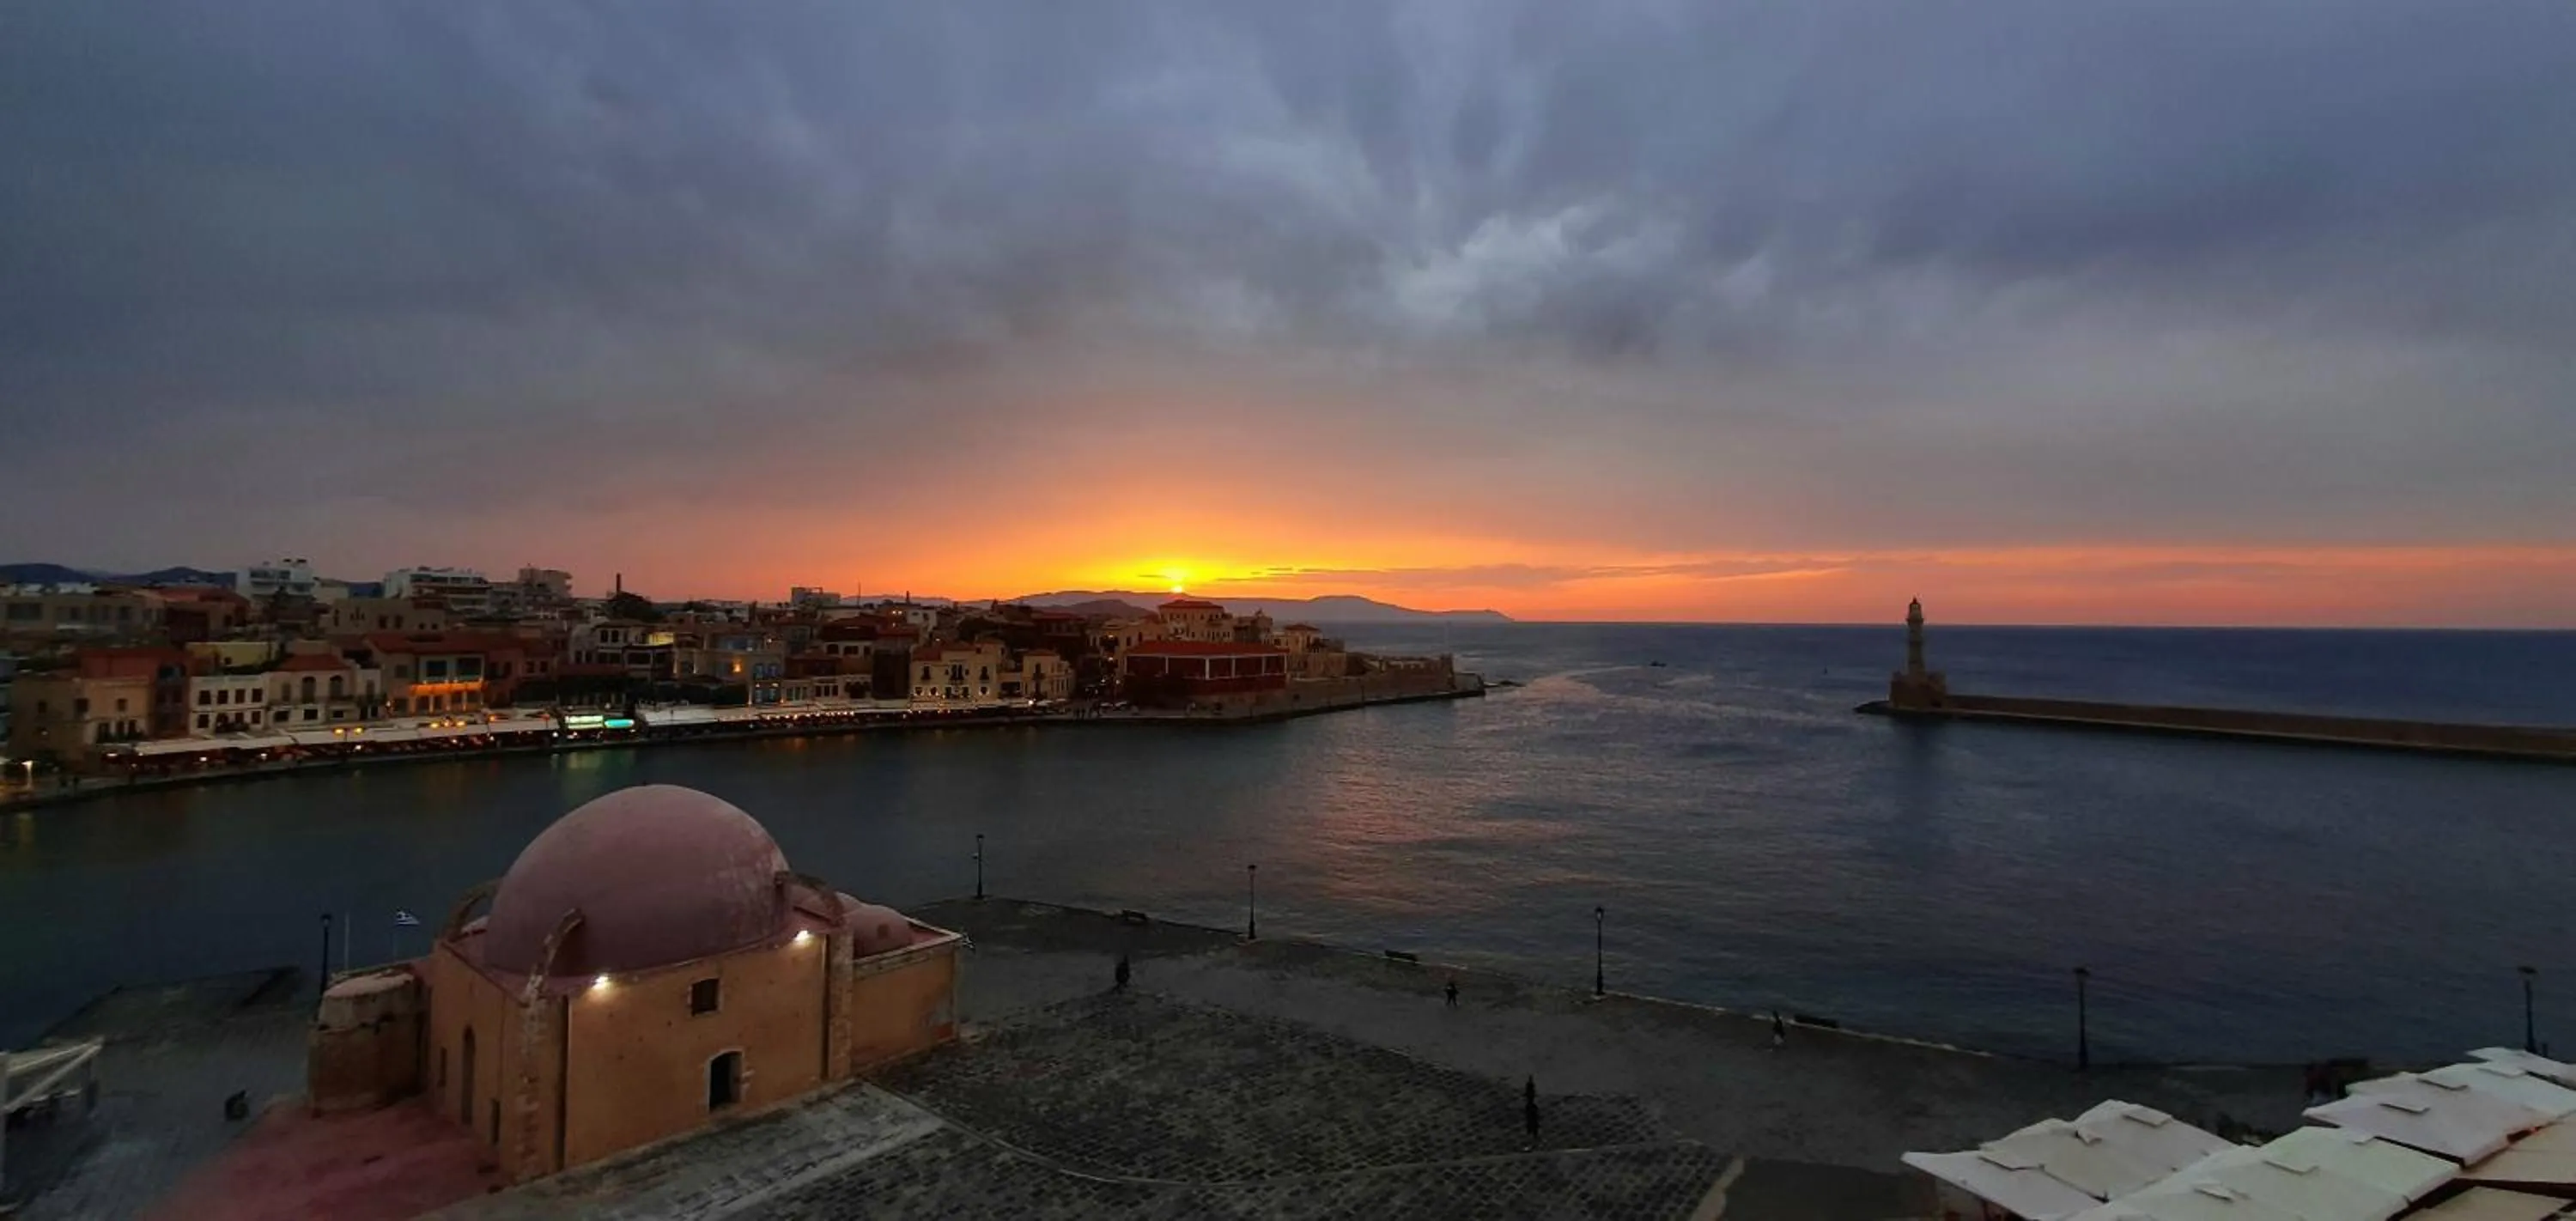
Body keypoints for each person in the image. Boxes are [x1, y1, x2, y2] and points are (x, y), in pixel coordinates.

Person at [1522, 1077, 1540, 1148]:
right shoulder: (1532, 1106)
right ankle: (1533, 1142)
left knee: (1531, 1128)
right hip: (1532, 1116)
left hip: (1531, 1116)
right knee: (1533, 1128)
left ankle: (1532, 1142)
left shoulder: (1530, 1106)